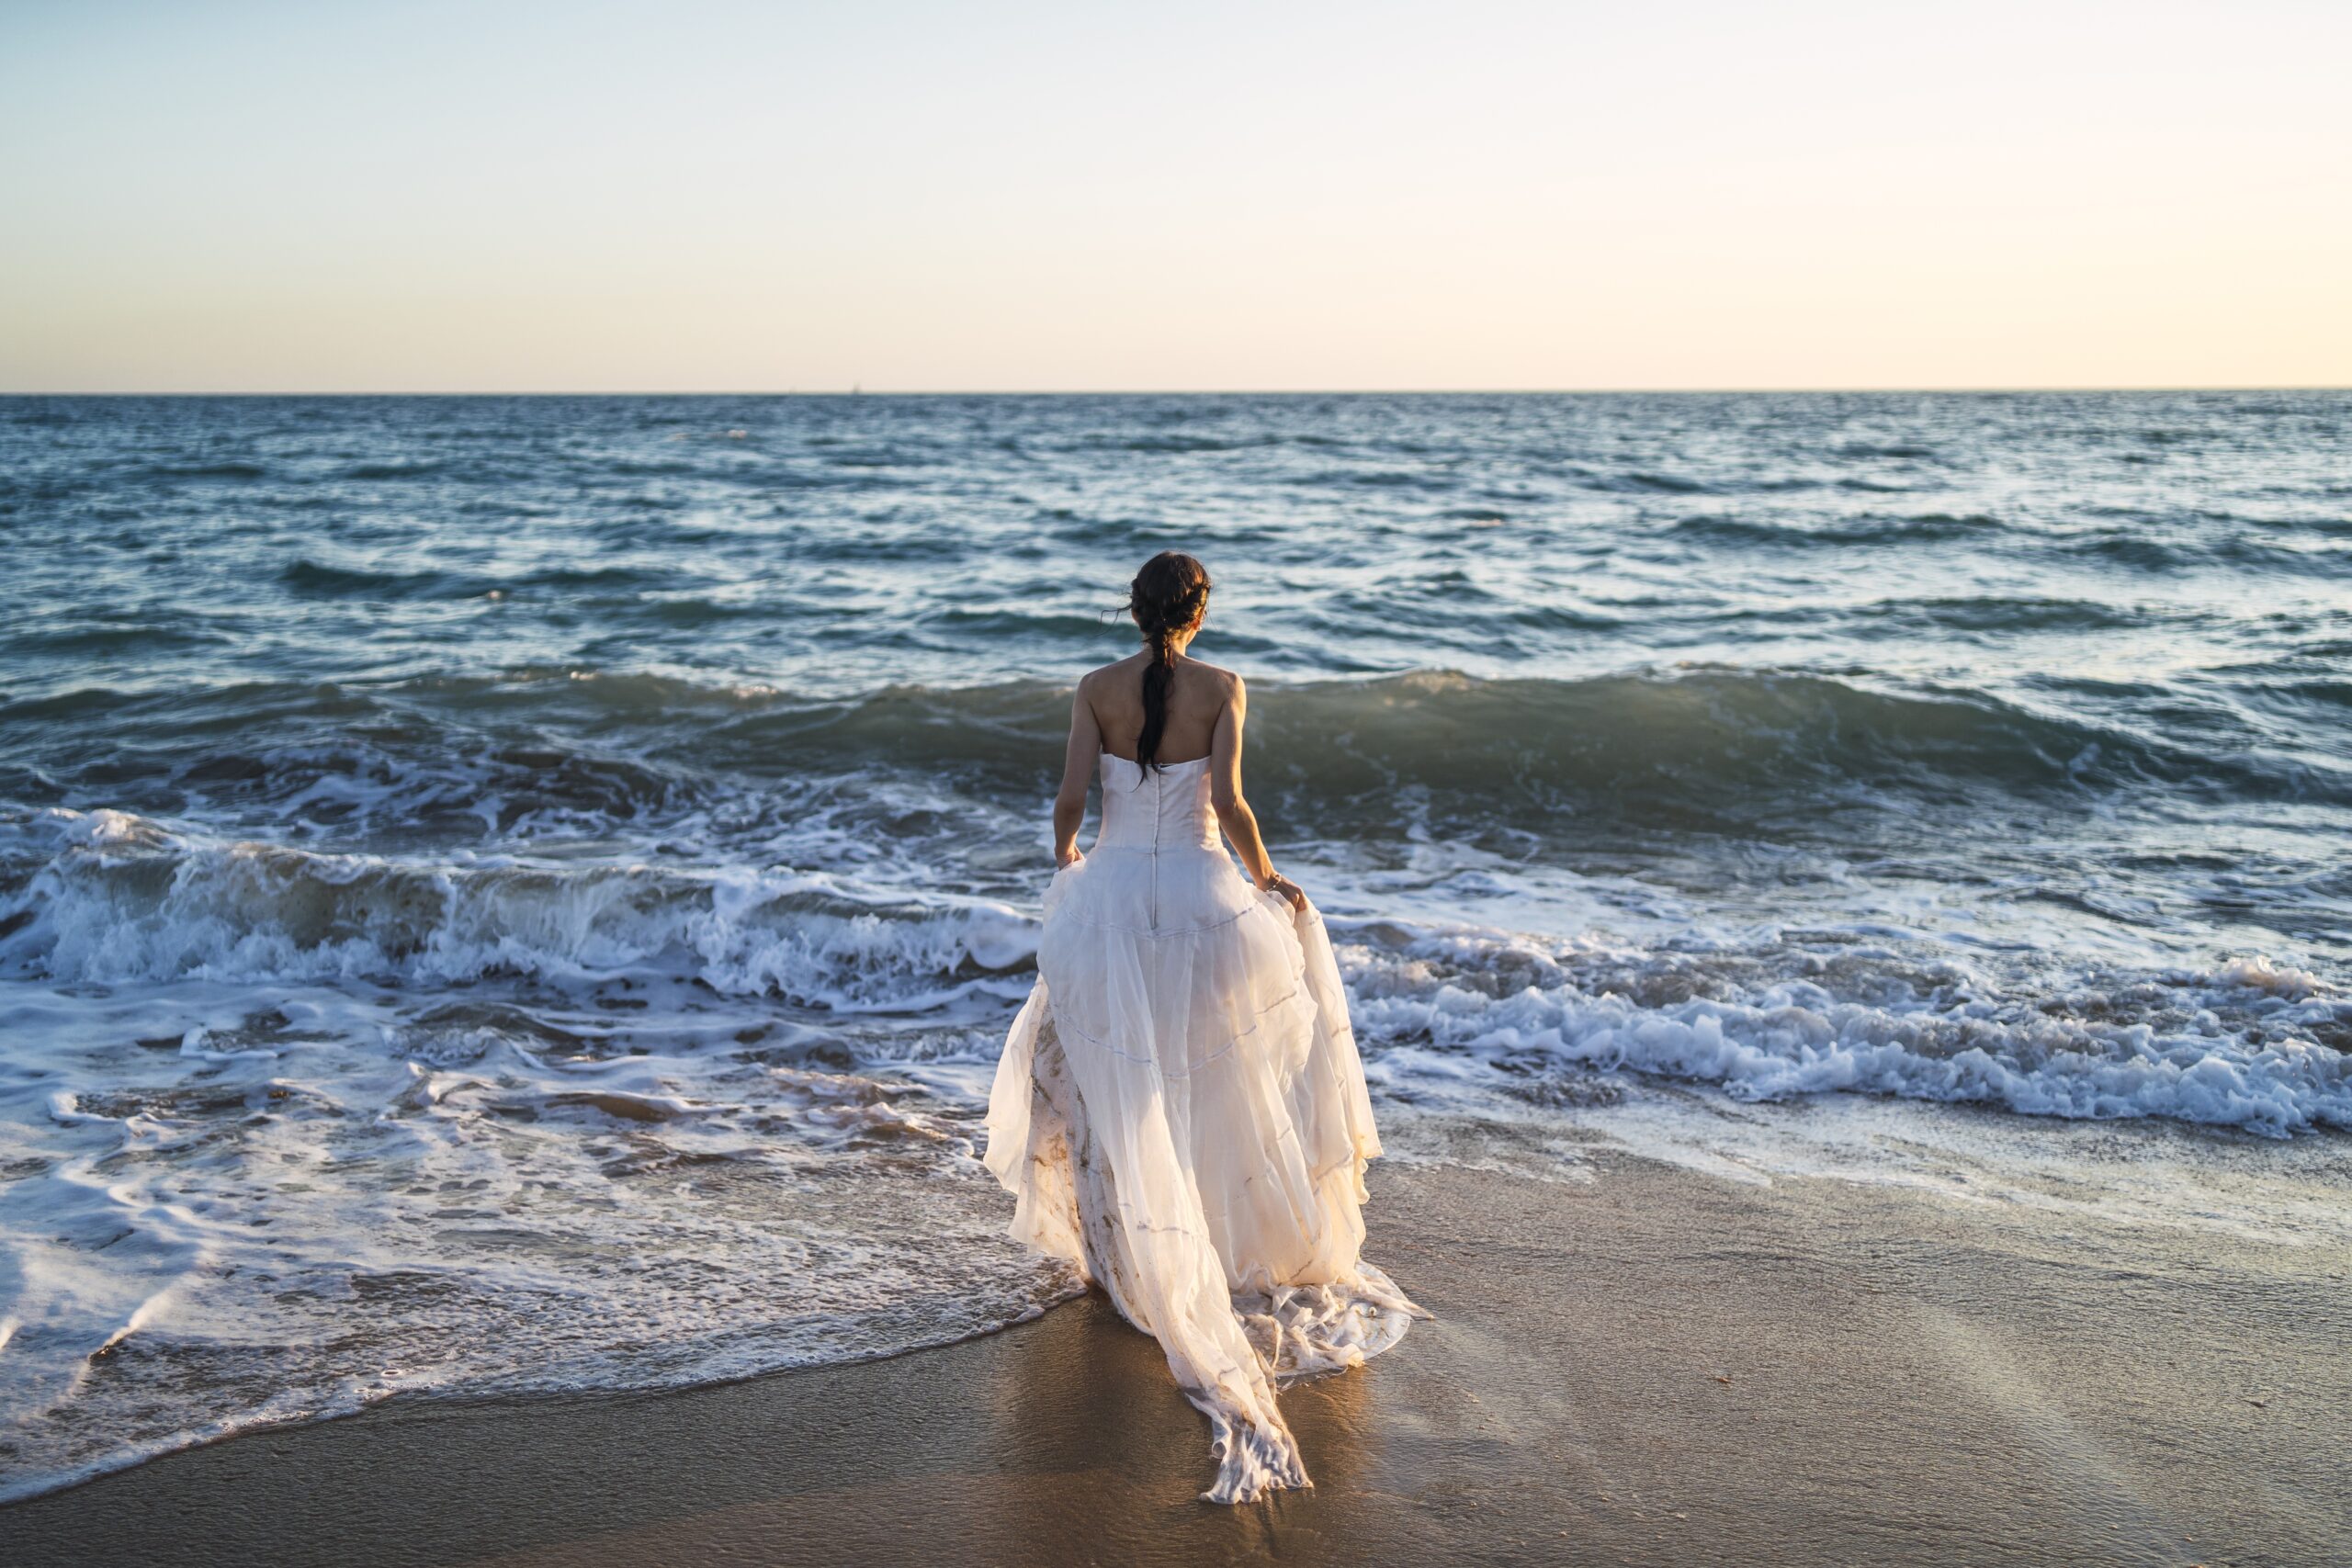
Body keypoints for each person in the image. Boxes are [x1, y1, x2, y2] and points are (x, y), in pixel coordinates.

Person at [983, 550, 1419, 1504]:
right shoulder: (1224, 686)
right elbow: (1227, 804)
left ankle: (1114, 1263)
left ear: (1135, 610)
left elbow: (1067, 806)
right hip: (1200, 895)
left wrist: (1069, 862)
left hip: (1112, 900)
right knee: (1207, 1080)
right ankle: (1210, 1245)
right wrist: (1267, 880)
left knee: (1102, 1080)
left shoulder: (1094, 689)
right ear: (1201, 611)